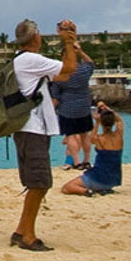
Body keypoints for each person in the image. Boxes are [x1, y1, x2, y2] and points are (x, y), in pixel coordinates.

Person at [9, 18, 78, 252]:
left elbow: (64, 75)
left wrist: (69, 44)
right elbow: (69, 69)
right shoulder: (31, 59)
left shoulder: (22, 60)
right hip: (33, 128)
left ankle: (21, 230)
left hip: (29, 128)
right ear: (35, 37)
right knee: (39, 183)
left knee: (36, 182)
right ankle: (27, 235)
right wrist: (68, 43)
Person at [61, 101, 123, 196]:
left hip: (98, 177)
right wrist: (107, 108)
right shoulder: (119, 136)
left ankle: (88, 191)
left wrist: (97, 122)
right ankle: (102, 189)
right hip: (114, 179)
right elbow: (119, 120)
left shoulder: (98, 138)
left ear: (101, 123)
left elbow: (90, 138)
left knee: (66, 187)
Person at [51, 42, 96, 171]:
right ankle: (87, 160)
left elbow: (56, 95)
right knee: (84, 135)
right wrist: (80, 51)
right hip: (83, 106)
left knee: (70, 135)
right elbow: (91, 63)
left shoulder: (60, 74)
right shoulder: (83, 70)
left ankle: (76, 161)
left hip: (67, 108)